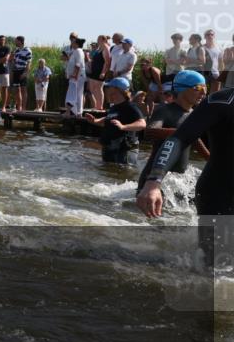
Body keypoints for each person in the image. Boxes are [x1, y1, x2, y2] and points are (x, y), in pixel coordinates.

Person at [137, 85, 233, 260]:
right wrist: (153, 181)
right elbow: (179, 138)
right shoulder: (222, 101)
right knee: (218, 269)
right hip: (221, 194)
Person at [135, 71, 209, 195]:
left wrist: (212, 160)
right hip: (154, 178)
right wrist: (179, 133)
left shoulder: (194, 114)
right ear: (181, 89)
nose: (204, 92)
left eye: (205, 88)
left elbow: (195, 139)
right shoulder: (165, 110)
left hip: (178, 182)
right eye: (198, 88)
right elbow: (150, 132)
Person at [84, 78, 146, 166]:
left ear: (117, 90)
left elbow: (142, 124)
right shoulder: (114, 107)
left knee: (124, 175)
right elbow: (109, 120)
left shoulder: (130, 106)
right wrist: (94, 121)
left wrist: (123, 127)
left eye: (109, 88)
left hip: (125, 149)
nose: (107, 90)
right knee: (109, 175)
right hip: (111, 147)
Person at [62, 39, 86, 117]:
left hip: (77, 77)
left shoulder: (78, 51)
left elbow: (78, 64)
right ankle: (77, 112)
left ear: (77, 44)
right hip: (76, 77)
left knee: (72, 94)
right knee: (76, 94)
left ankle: (71, 112)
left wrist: (75, 75)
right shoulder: (76, 51)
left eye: (73, 42)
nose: (71, 43)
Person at [87, 35, 111, 110]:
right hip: (94, 71)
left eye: (99, 39)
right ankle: (96, 105)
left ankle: (99, 106)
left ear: (103, 40)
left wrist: (103, 72)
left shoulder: (106, 48)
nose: (97, 40)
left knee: (98, 88)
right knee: (92, 88)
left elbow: (107, 62)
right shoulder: (99, 48)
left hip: (100, 71)